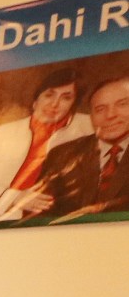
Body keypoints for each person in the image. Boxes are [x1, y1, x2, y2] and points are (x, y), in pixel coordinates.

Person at [0, 68, 91, 222]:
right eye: (49, 95)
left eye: (66, 98)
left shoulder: (88, 127)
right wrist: (15, 198)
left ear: (74, 105)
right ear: (36, 99)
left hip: (48, 218)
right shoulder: (6, 131)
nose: (54, 104)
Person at [22, 74, 129, 221]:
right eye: (100, 109)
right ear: (91, 116)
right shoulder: (61, 155)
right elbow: (36, 216)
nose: (110, 115)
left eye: (122, 104)